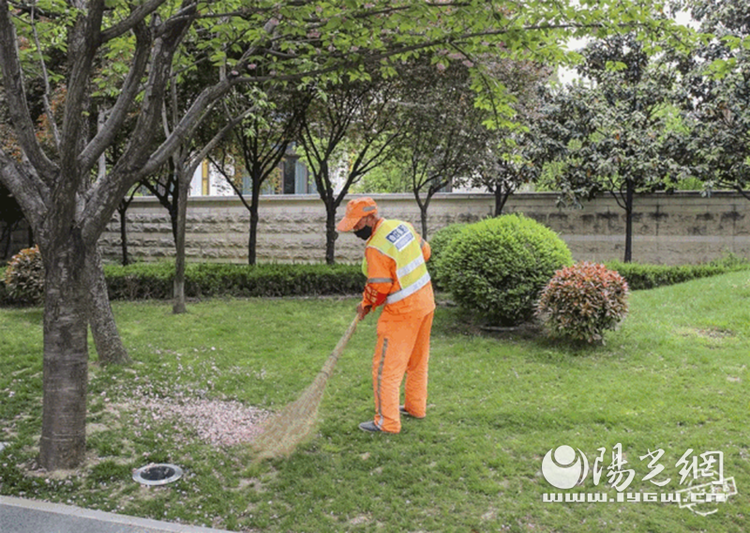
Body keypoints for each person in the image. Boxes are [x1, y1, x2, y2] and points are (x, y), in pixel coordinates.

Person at [336, 197, 435, 433]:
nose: (355, 230)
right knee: (417, 361)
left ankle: (387, 422)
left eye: (357, 224)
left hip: (402, 312)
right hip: (426, 302)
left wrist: (366, 304)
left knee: (385, 369)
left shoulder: (375, 248)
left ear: (371, 217)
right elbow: (426, 252)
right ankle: (415, 407)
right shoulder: (403, 226)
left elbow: (379, 287)